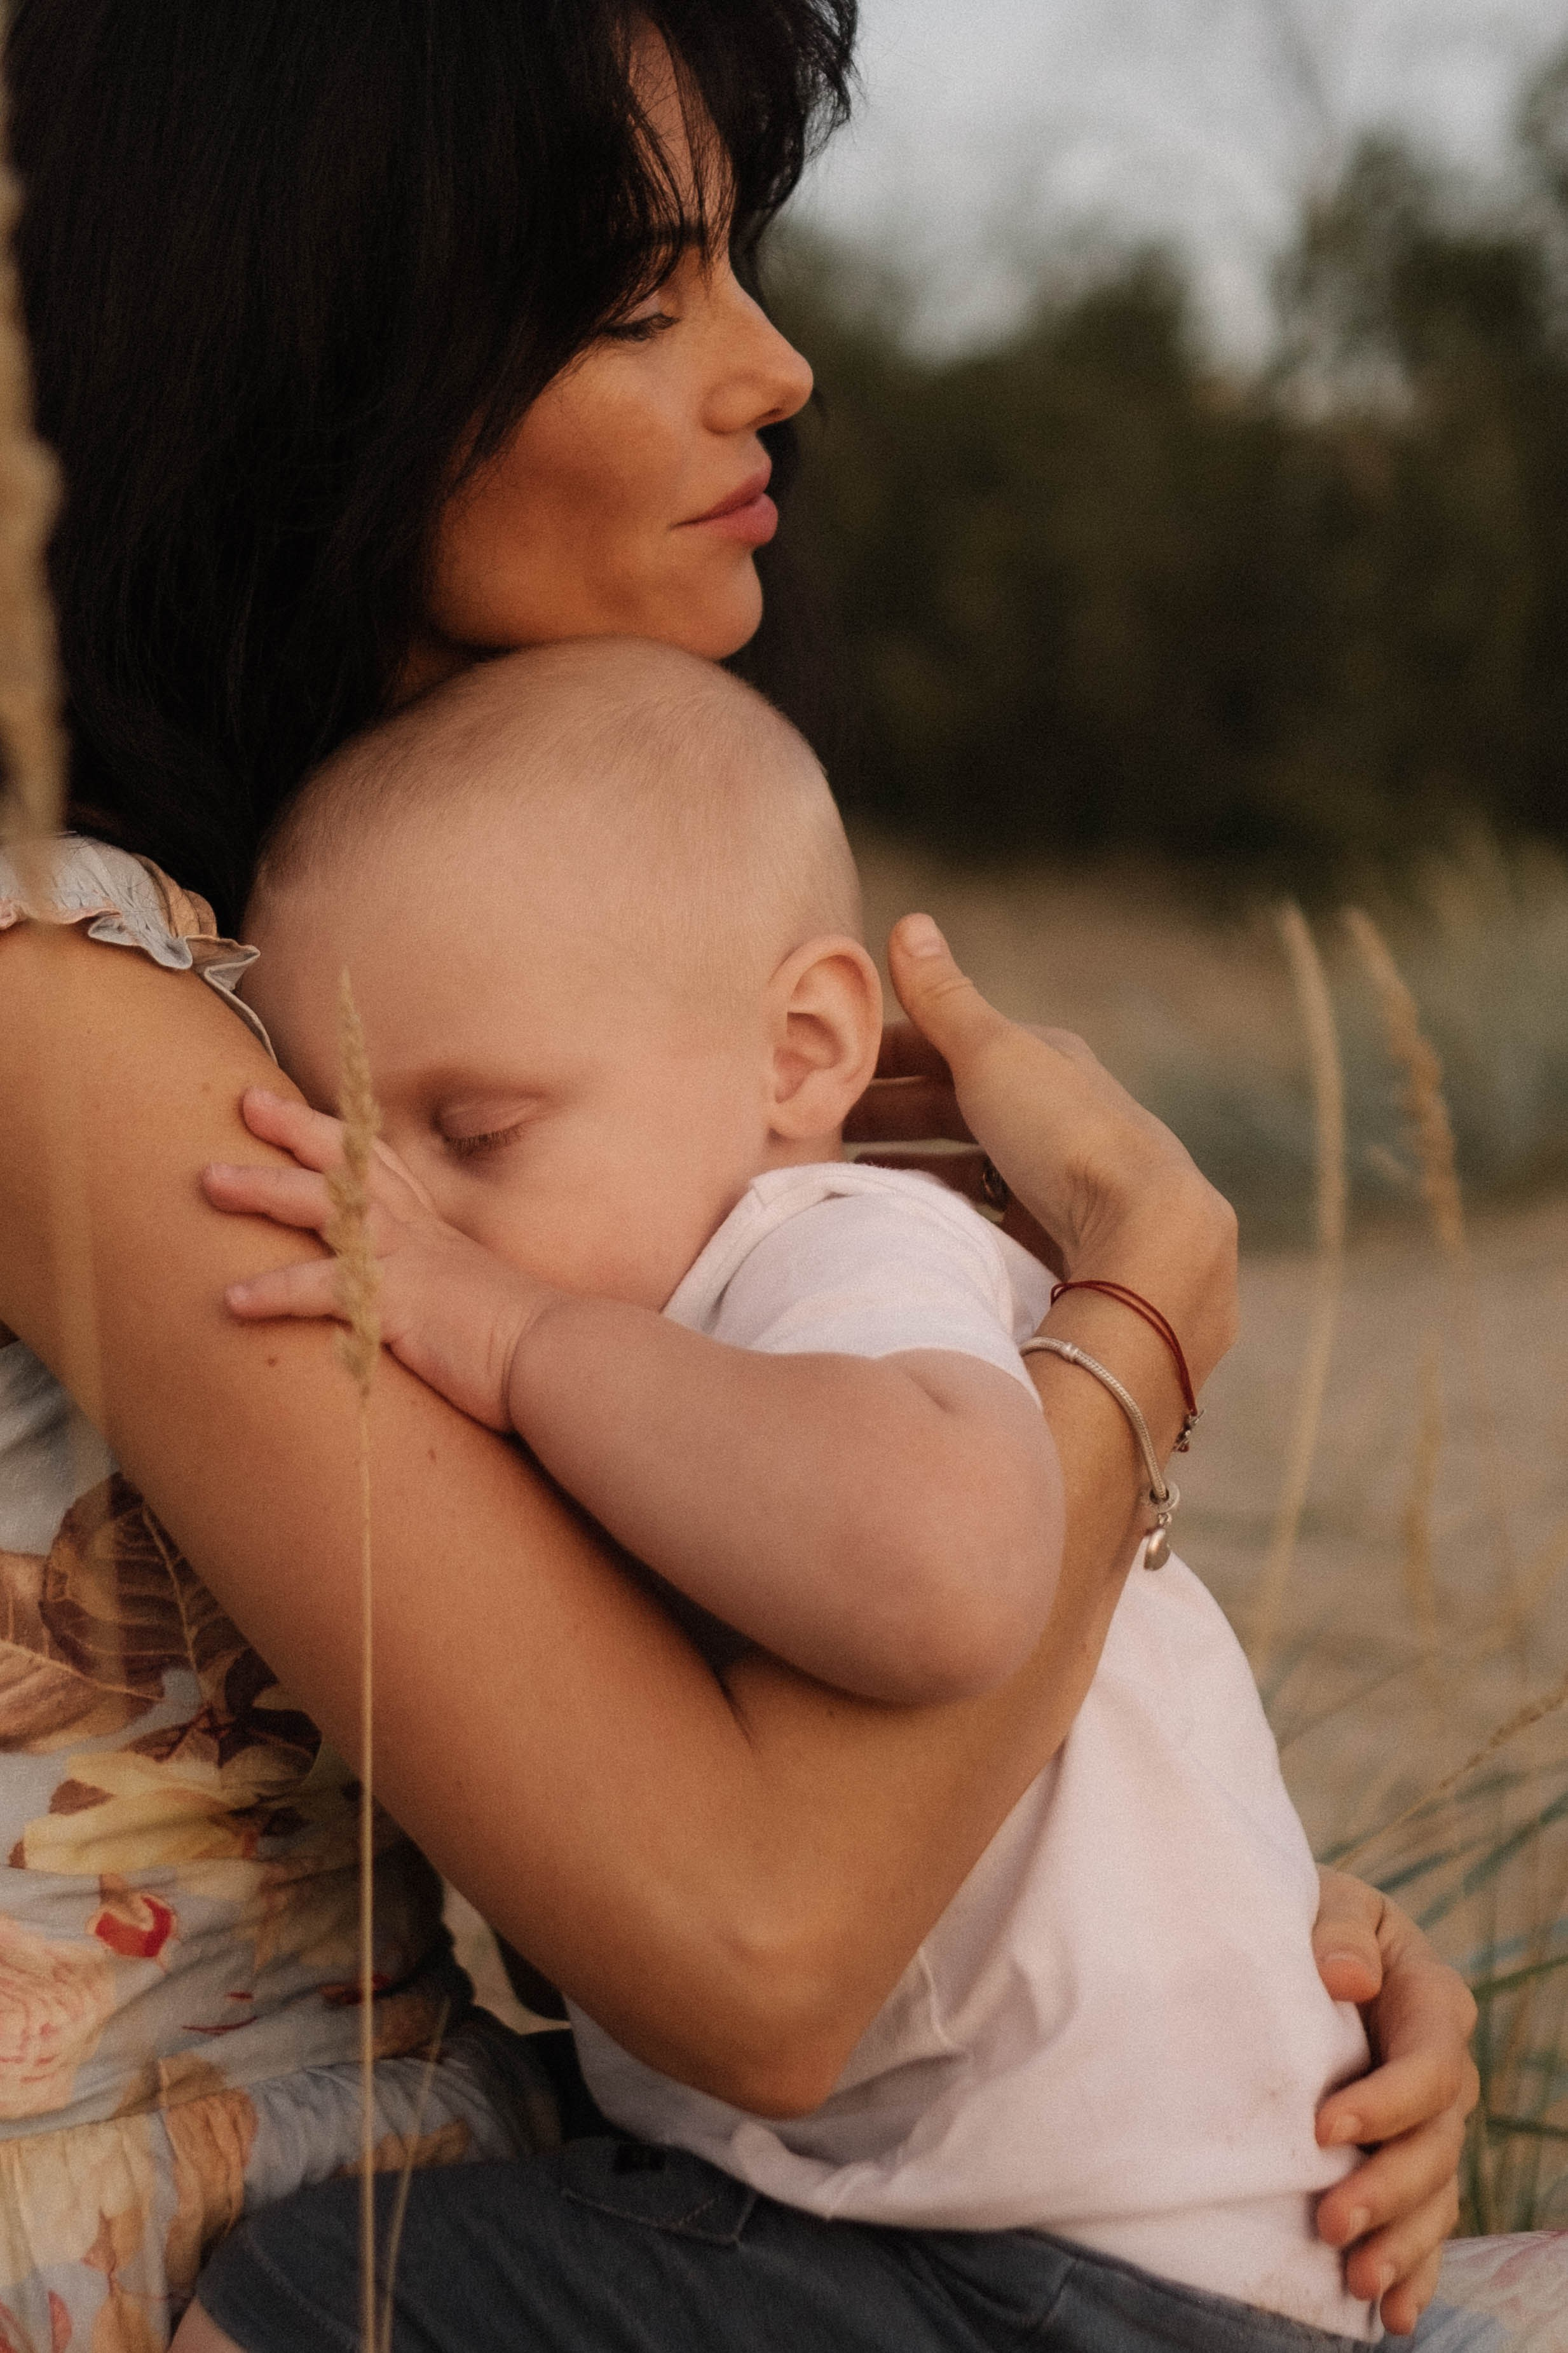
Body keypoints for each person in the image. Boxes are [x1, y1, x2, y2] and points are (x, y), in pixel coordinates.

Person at [0, 2, 1476, 2347]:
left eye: (741, 259)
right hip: (240, 2264)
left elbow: (801, 1733)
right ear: (318, 341)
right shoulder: (68, 1005)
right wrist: (1144, 1319)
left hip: (531, 2195)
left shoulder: (450, 996)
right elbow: (765, 1948)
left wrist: (1220, 1991)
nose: (776, 367)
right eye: (635, 292)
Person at [190, 633, 1388, 2342]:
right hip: (1077, 2242)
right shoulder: (678, 1333)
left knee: (314, 2300)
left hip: (1059, 2268)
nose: (415, 1227)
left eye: (476, 1134)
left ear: (799, 1049)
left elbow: (954, 1564)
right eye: (354, 1144)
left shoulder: (823, 1258)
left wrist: (515, 1334)